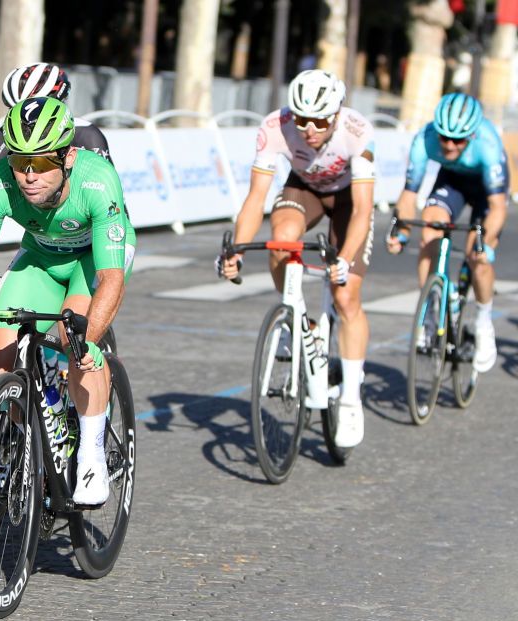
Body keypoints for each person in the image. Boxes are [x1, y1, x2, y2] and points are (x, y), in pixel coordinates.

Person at [0, 96, 135, 507]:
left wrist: (88, 338)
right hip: (41, 256)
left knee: (71, 335)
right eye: (21, 162)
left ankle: (91, 451)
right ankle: (26, 437)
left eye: (41, 164)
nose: (28, 176)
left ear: (69, 156)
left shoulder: (98, 180)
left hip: (94, 259)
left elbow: (111, 278)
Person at [218, 69, 376, 449]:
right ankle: (297, 318)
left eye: (319, 121)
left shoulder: (357, 131)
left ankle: (351, 396)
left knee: (345, 296)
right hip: (303, 188)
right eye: (302, 119)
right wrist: (236, 248)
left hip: (347, 200)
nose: (309, 129)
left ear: (336, 115)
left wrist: (346, 258)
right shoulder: (276, 126)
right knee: (282, 238)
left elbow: (363, 212)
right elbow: (257, 197)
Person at [387, 92, 508, 373]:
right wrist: (402, 233)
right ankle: (431, 310)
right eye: (445, 138)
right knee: (430, 227)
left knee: (478, 259)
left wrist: (485, 244)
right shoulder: (425, 139)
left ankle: (483, 321)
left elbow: (498, 208)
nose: (450, 145)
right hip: (452, 182)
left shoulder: (488, 146)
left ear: (473, 135)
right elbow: (408, 196)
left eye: (459, 140)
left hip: (486, 191)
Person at [0, 62, 113, 168]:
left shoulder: (87, 134)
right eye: (14, 110)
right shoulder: (3, 134)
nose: (24, 120)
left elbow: (107, 188)